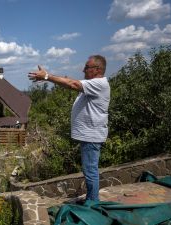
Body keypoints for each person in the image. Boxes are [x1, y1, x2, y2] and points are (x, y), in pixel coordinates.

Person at [28, 55, 110, 201]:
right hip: (89, 135)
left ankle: (93, 203)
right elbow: (70, 82)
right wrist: (55, 79)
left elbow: (72, 84)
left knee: (90, 171)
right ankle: (92, 200)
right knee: (89, 170)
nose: (83, 70)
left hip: (92, 136)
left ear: (97, 69)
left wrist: (47, 76)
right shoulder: (92, 84)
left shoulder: (99, 84)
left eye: (87, 67)